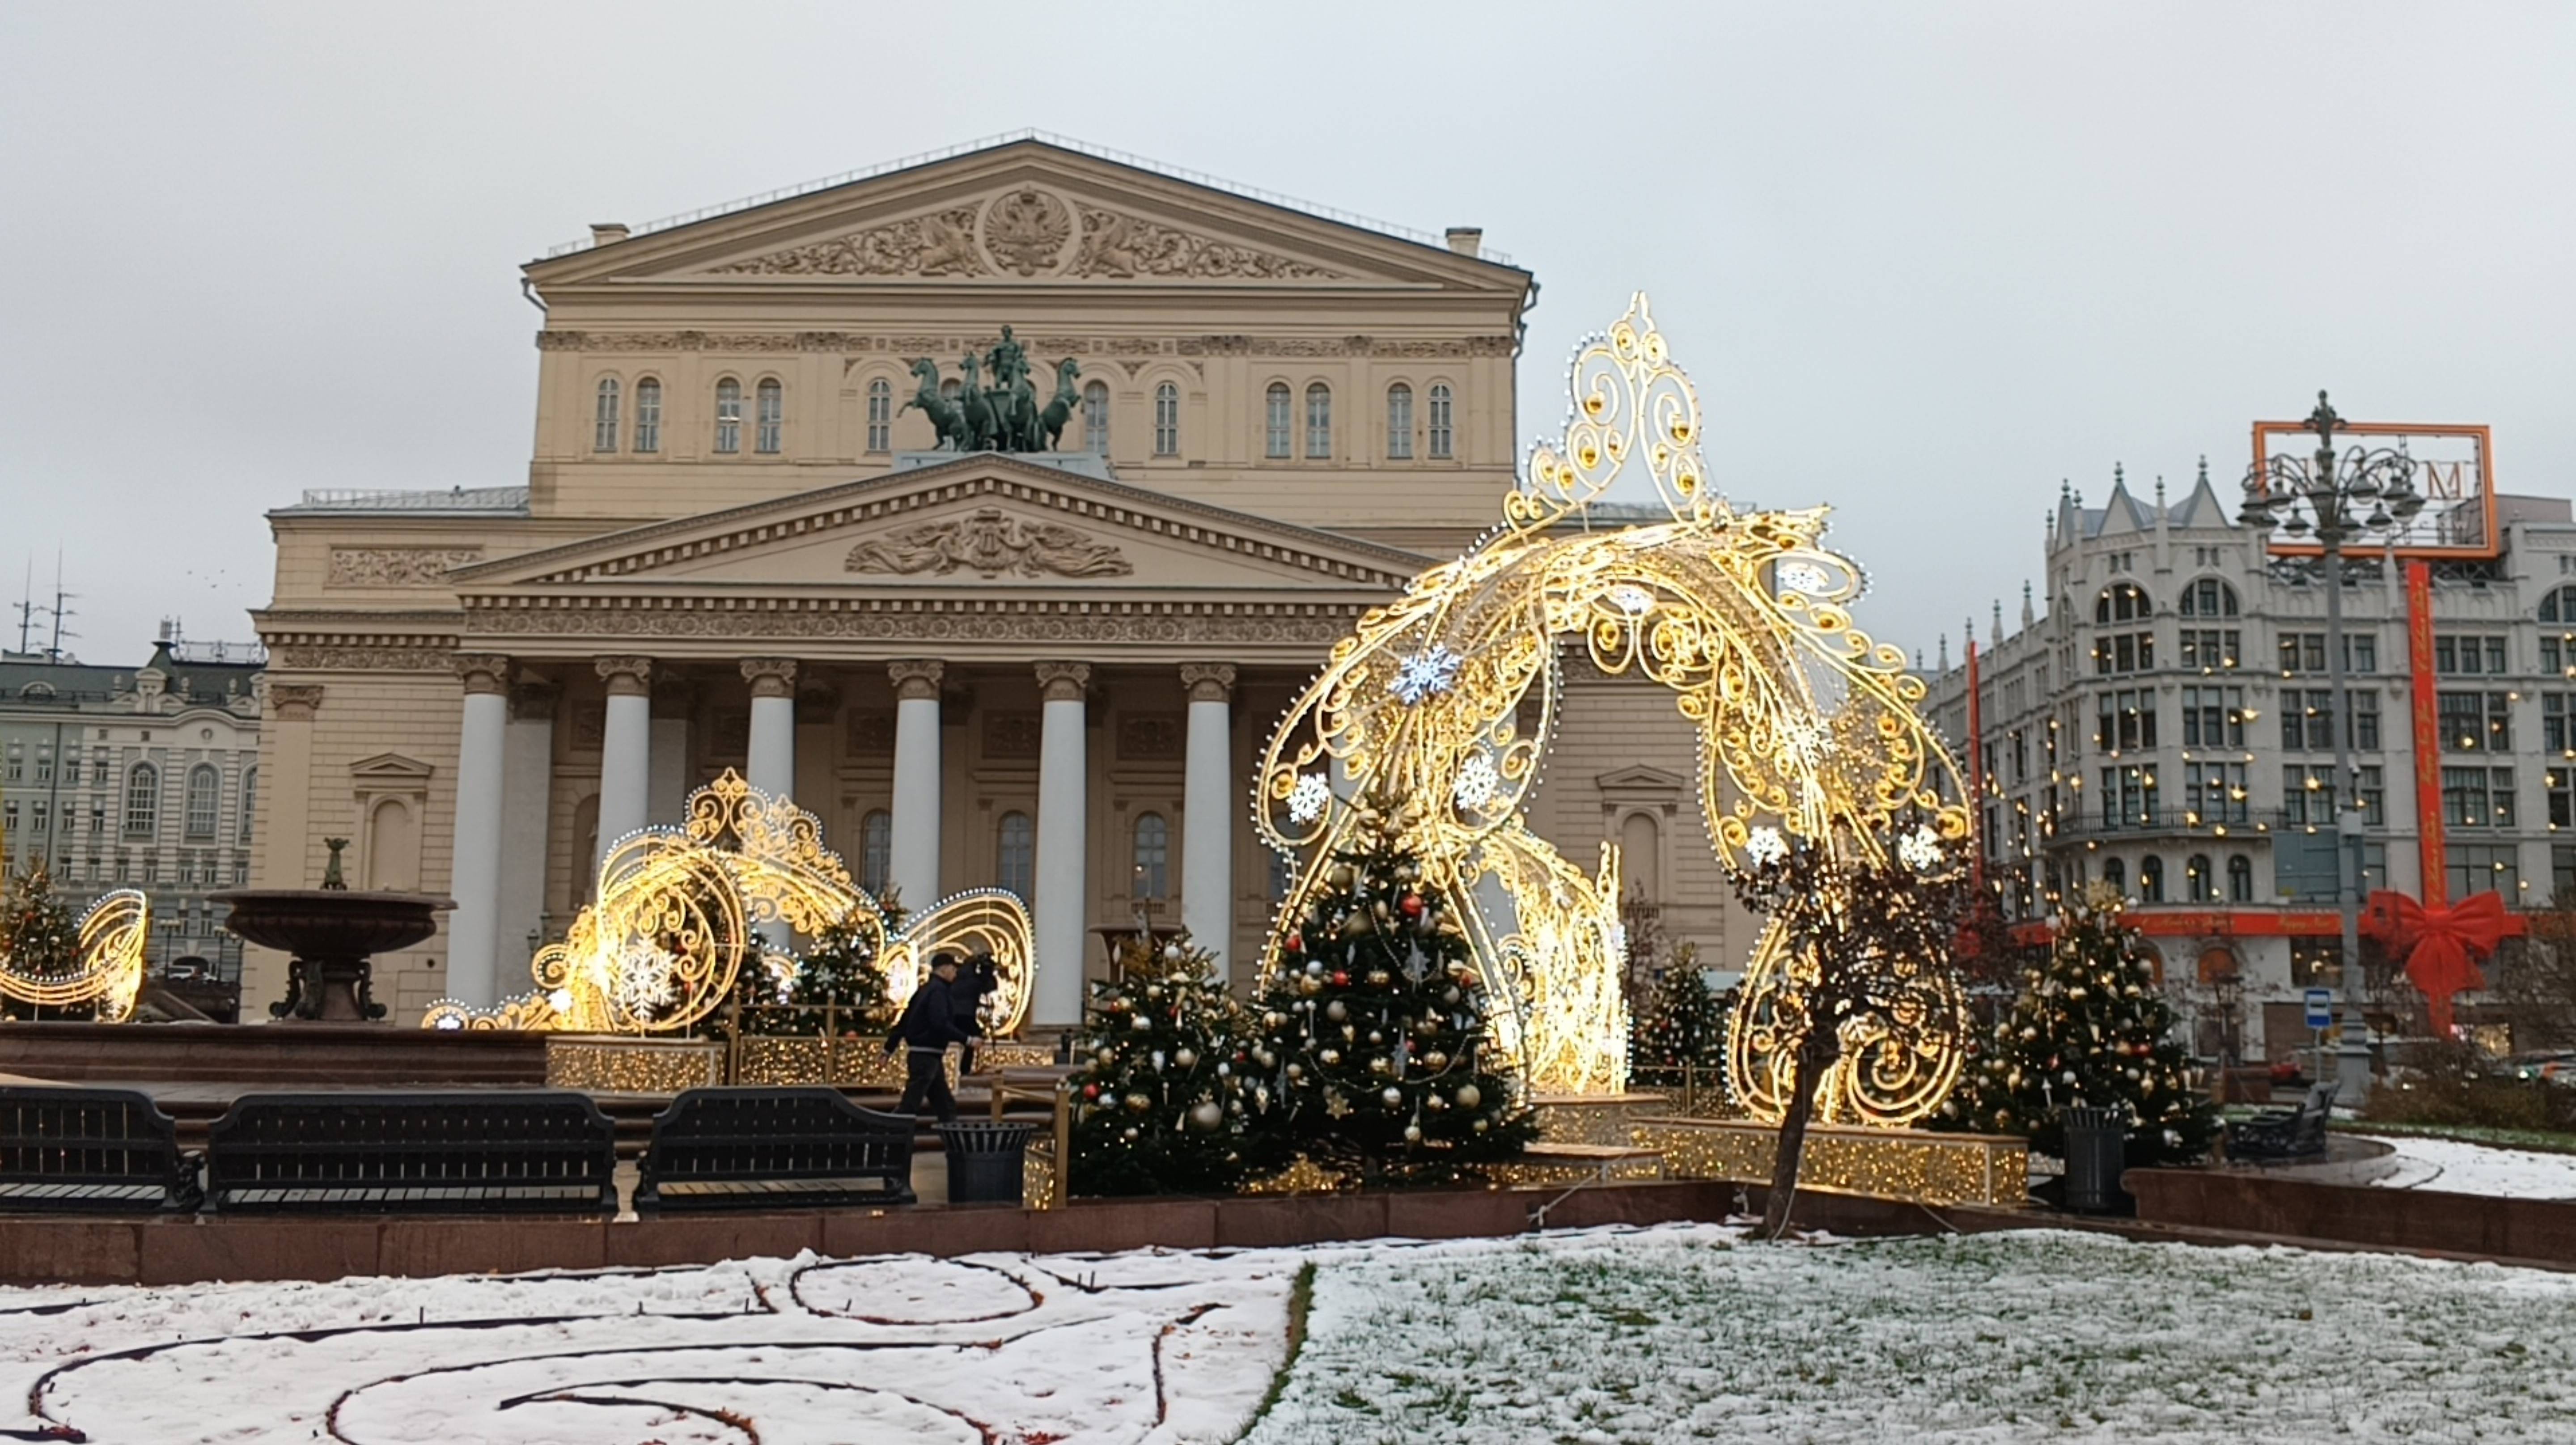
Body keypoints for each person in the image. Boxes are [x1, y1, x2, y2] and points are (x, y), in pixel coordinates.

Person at [886, 952, 978, 1122]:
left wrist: (889, 1048)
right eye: (953, 969)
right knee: (910, 1106)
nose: (955, 973)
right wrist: (968, 1040)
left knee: (945, 1105)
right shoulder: (939, 992)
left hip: (927, 1055)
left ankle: (955, 1144)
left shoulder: (924, 990)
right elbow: (940, 1023)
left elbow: (904, 1021)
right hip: (927, 1056)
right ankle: (887, 1136)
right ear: (944, 970)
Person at [951, 953, 998, 1075]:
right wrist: (988, 973)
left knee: (967, 1039)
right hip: (966, 1015)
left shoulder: (956, 977)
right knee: (974, 1039)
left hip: (952, 1015)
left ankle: (958, 1068)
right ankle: (965, 1069)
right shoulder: (975, 981)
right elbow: (990, 987)